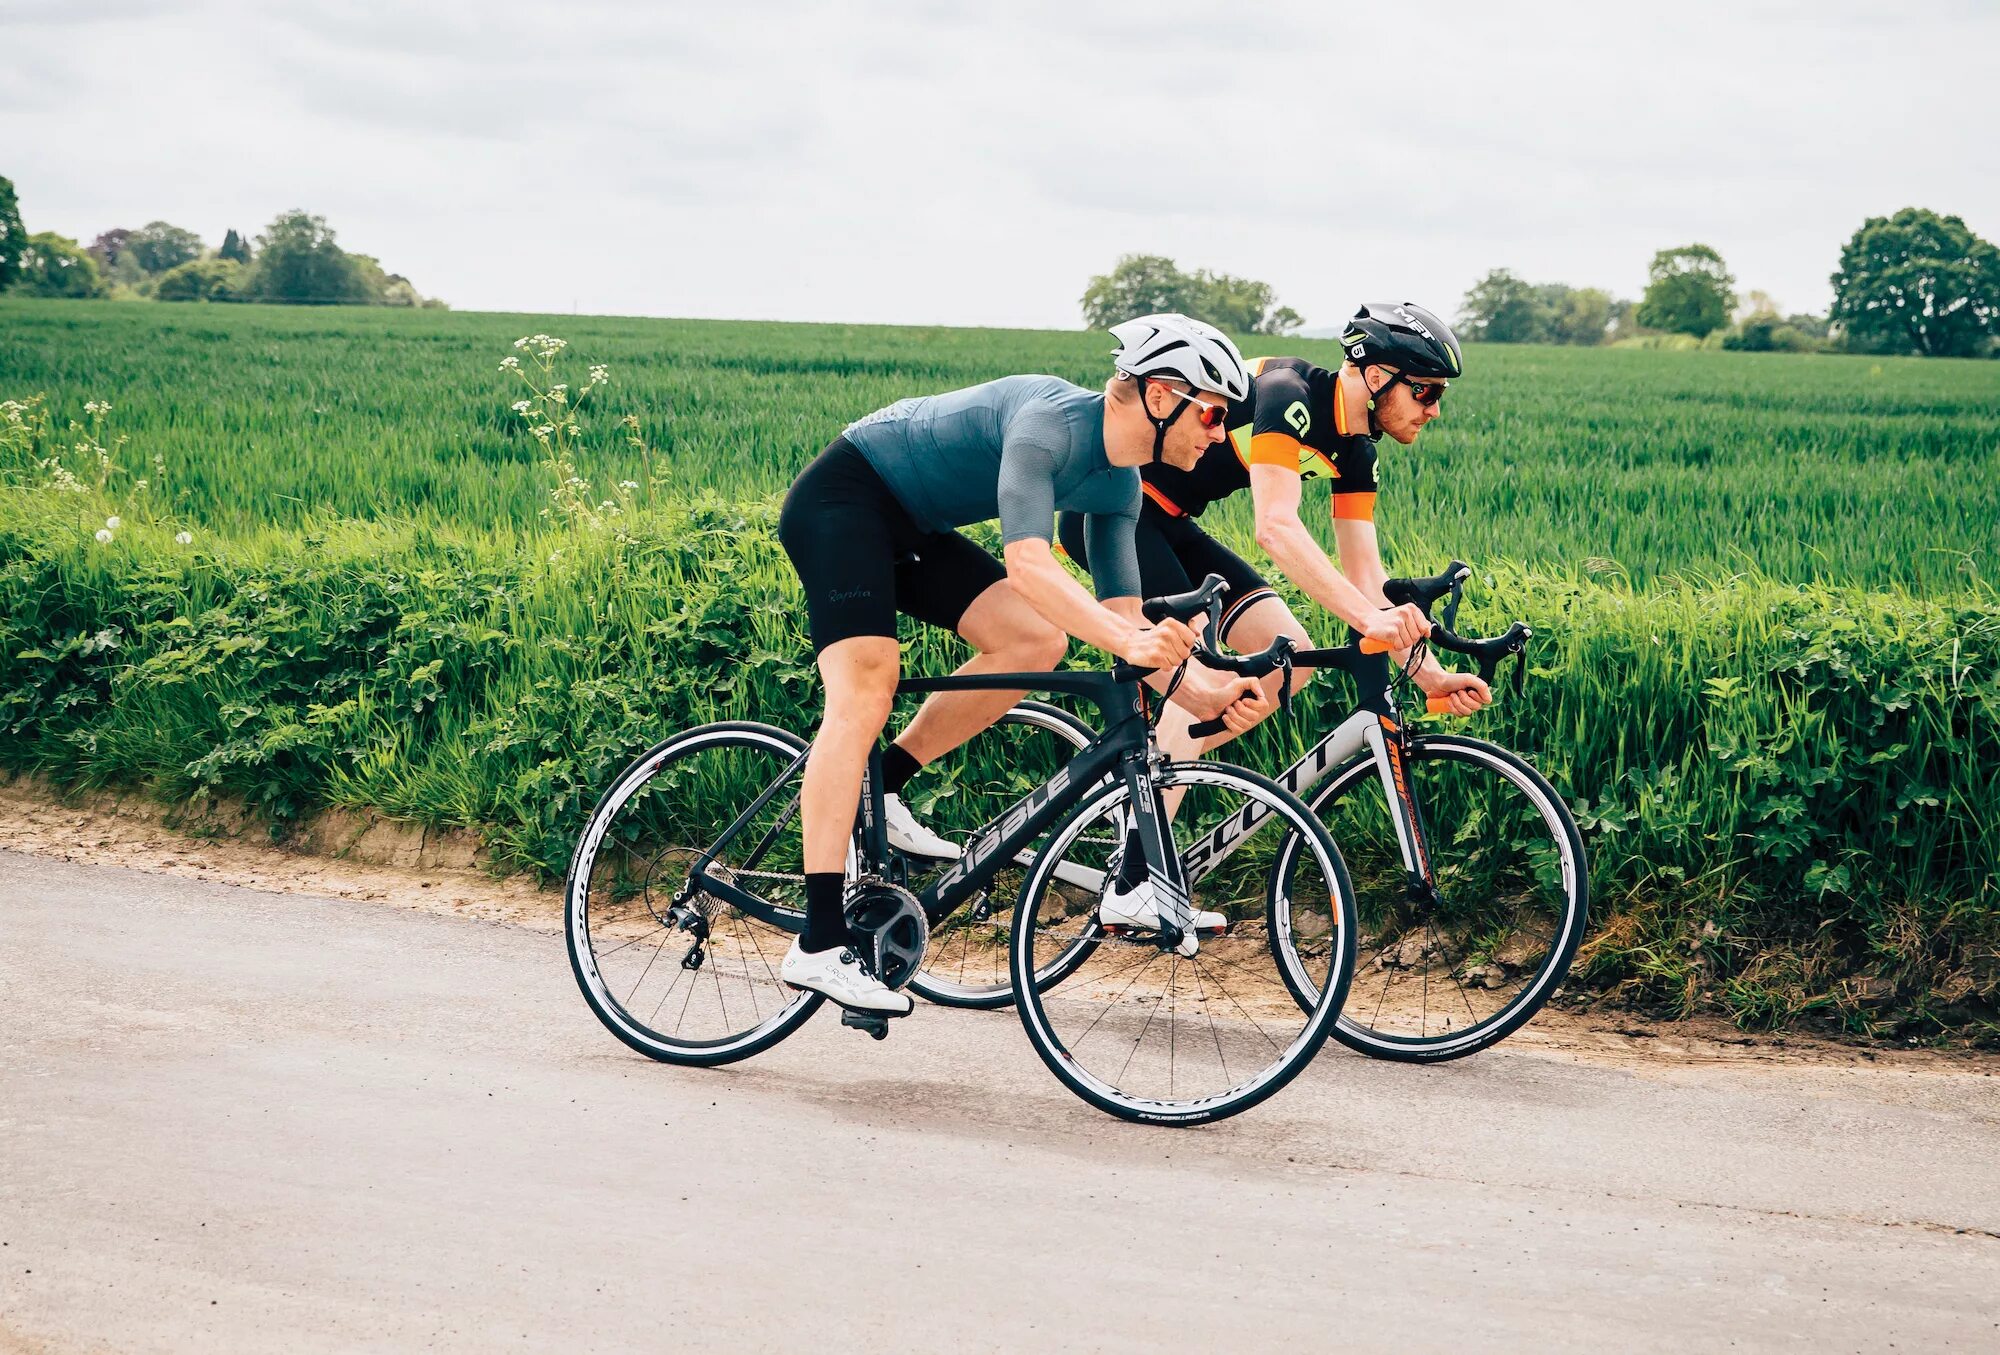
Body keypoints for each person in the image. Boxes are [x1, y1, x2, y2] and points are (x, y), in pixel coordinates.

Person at [775, 314, 1273, 1016]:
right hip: (844, 498)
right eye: (1215, 414)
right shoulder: (1051, 424)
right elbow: (1029, 564)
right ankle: (820, 938)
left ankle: (883, 785)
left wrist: (1205, 692)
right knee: (865, 688)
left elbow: (1124, 622)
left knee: (1037, 642)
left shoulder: (1119, 484)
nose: (1221, 435)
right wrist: (1137, 645)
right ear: (1161, 396)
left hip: (914, 526)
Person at [1057, 302, 1493, 916]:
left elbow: (1365, 579)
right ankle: (1135, 879)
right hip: (1112, 516)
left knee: (1289, 659)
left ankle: (1148, 791)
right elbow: (1276, 527)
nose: (1433, 408)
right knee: (1203, 674)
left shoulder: (1357, 451)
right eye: (1424, 390)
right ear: (1375, 376)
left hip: (1171, 524)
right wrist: (1372, 621)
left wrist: (1426, 673)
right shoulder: (1288, 395)